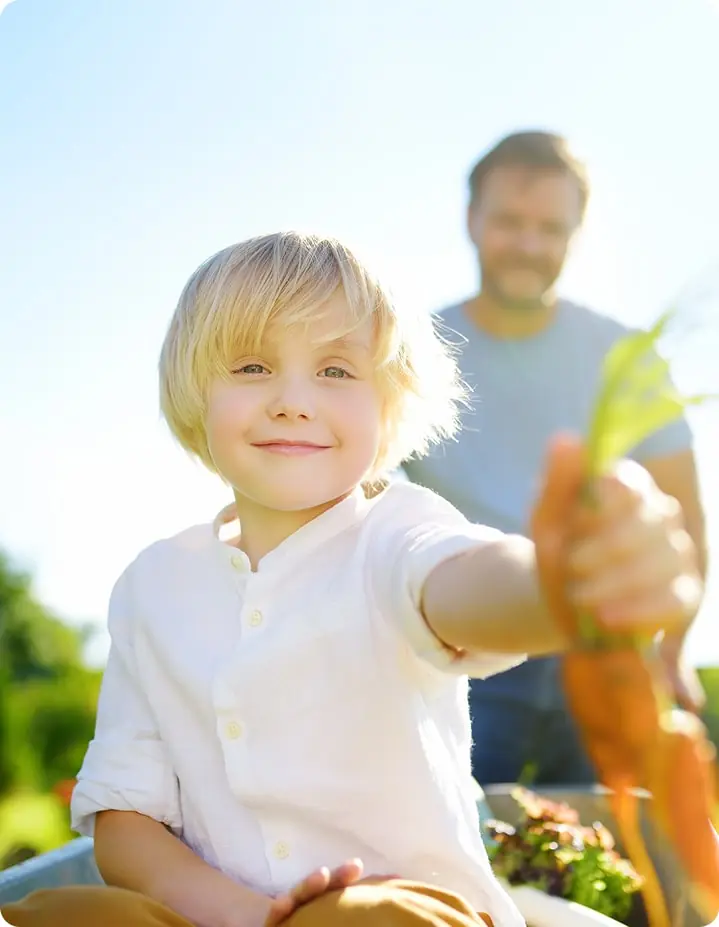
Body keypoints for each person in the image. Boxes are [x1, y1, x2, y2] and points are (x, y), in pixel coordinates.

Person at [2, 232, 702, 927]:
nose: (292, 400)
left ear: (388, 404)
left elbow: (461, 584)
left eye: (335, 370)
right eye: (251, 366)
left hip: (397, 905)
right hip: (213, 912)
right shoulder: (151, 585)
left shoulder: (394, 532)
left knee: (360, 917)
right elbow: (125, 819)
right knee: (59, 909)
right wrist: (247, 915)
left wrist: (560, 582)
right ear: (195, 390)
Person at [403, 131, 708, 788]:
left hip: (603, 643)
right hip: (467, 648)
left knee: (632, 849)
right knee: (465, 833)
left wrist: (674, 649)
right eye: (510, 222)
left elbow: (681, 514)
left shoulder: (621, 354)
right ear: (471, 220)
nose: (529, 245)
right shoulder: (413, 354)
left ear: (575, 233)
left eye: (550, 228)